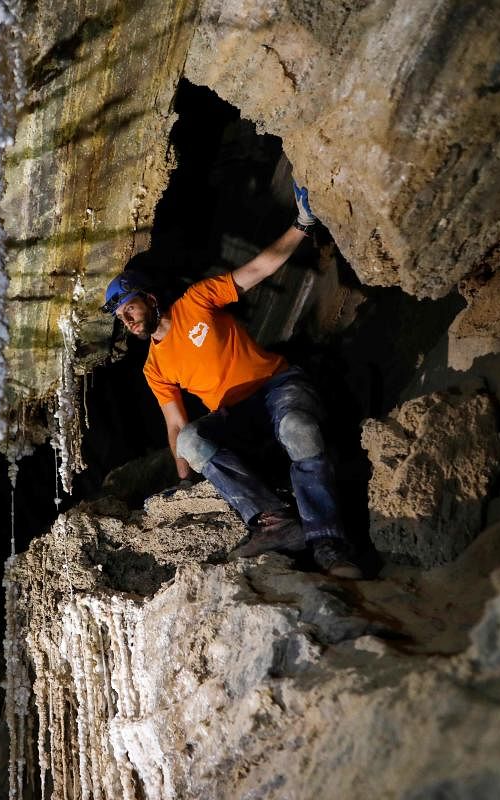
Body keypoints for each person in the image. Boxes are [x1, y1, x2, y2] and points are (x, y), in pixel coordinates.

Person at [102, 181, 361, 578]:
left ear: (150, 300)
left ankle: (328, 541)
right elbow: (176, 424)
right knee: (190, 440)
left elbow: (257, 268)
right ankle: (274, 522)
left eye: (130, 307)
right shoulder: (154, 366)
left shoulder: (197, 301)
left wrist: (302, 224)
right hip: (236, 416)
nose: (128, 318)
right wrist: (185, 478)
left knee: (298, 427)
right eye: (120, 315)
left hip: (278, 386)